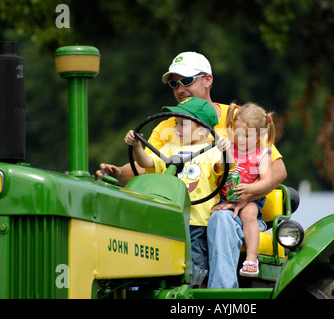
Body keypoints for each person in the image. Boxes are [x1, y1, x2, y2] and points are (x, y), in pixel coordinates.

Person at [96, 51, 288, 288]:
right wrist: (116, 172)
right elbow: (146, 165)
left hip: (235, 209)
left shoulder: (239, 118)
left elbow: (277, 170)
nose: (179, 89)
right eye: (174, 83)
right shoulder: (169, 124)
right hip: (186, 212)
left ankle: (221, 295)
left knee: (222, 219)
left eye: (186, 80)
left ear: (208, 80)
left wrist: (245, 197)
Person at [124, 96, 232, 284]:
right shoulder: (170, 149)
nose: (176, 129)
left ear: (202, 128)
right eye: (176, 124)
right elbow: (146, 162)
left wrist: (225, 150)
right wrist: (137, 146)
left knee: (196, 270)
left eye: (183, 124)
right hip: (170, 221)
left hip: (198, 223)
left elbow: (225, 165)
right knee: (166, 266)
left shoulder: (212, 150)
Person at [214, 102, 276, 278]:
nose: (240, 140)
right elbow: (221, 168)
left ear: (259, 136)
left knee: (248, 213)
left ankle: (251, 258)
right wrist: (223, 151)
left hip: (251, 197)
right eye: (237, 134)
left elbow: (266, 181)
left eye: (246, 136)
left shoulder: (262, 153)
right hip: (224, 195)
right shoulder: (230, 147)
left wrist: (249, 189)